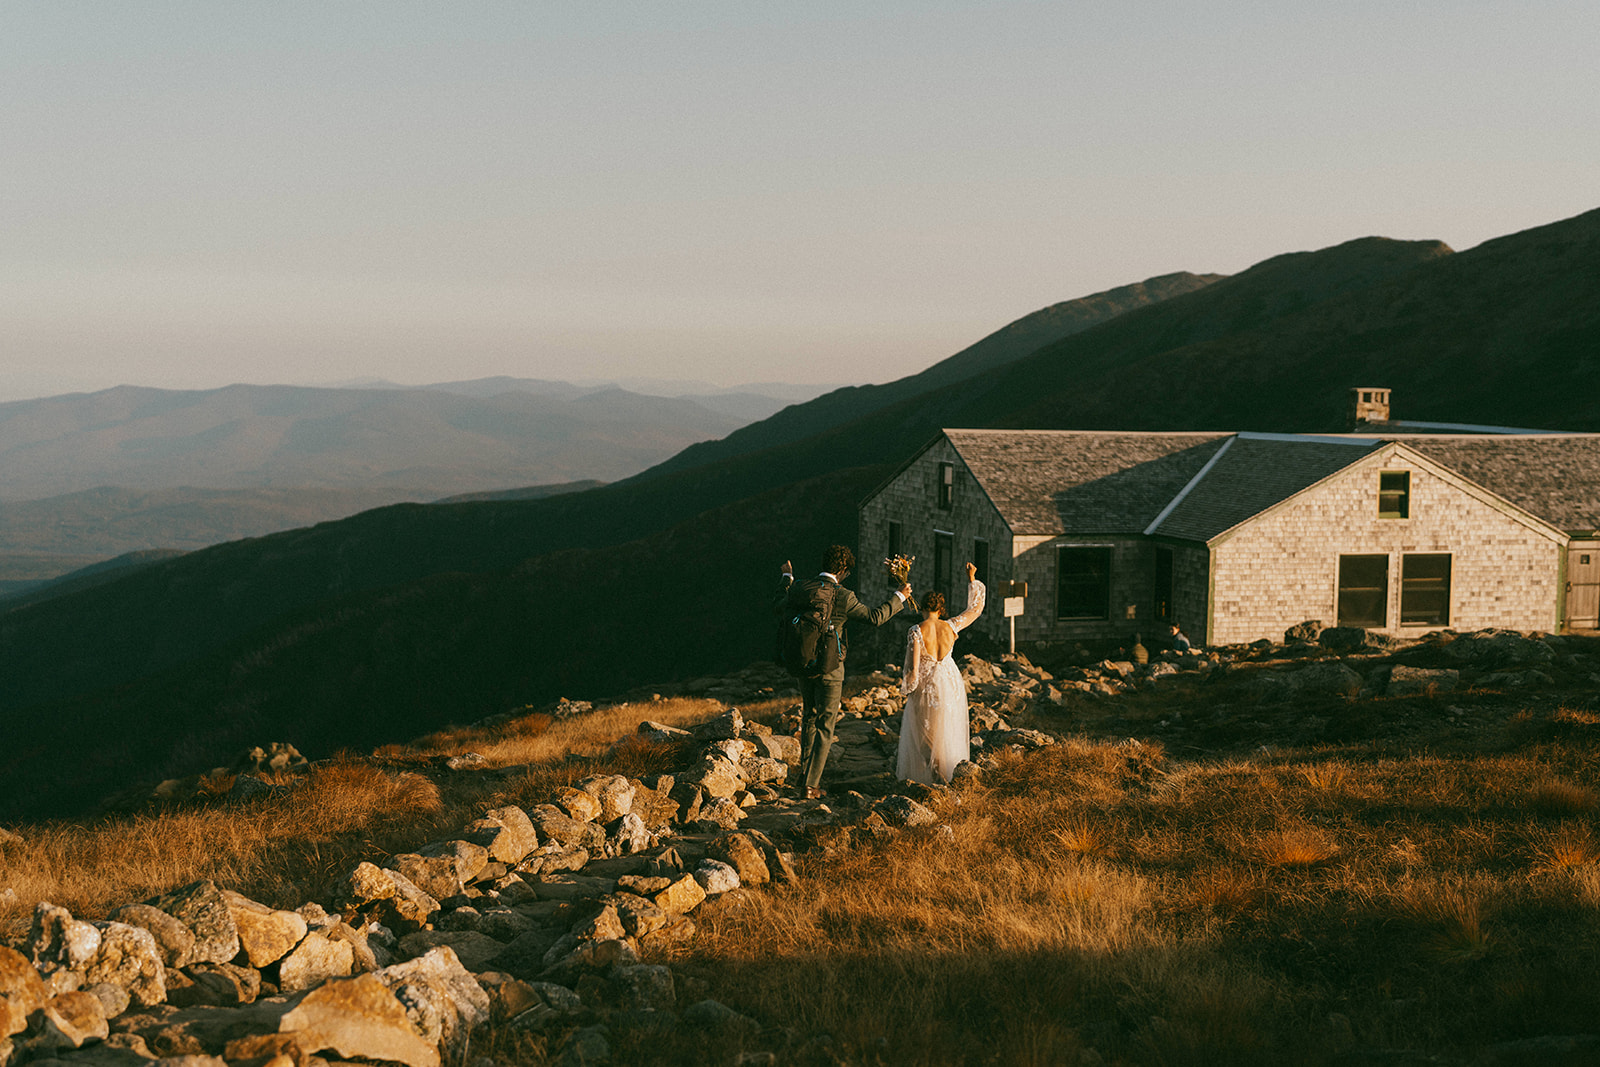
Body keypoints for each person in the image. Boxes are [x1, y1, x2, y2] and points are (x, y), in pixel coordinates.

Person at [776, 545, 910, 799]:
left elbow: (777, 605)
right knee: (826, 725)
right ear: (844, 571)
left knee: (809, 717)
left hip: (803, 663)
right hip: (830, 669)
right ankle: (810, 785)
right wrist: (899, 596)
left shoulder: (801, 588)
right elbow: (875, 617)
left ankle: (804, 776)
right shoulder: (843, 596)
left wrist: (787, 578)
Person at [898, 562, 986, 785]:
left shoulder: (916, 631)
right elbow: (974, 610)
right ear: (941, 609)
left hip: (927, 685)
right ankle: (947, 774)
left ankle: (938, 778)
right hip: (949, 683)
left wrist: (907, 690)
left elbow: (912, 668)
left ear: (921, 607)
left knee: (924, 735)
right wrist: (971, 579)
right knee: (945, 730)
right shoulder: (951, 626)